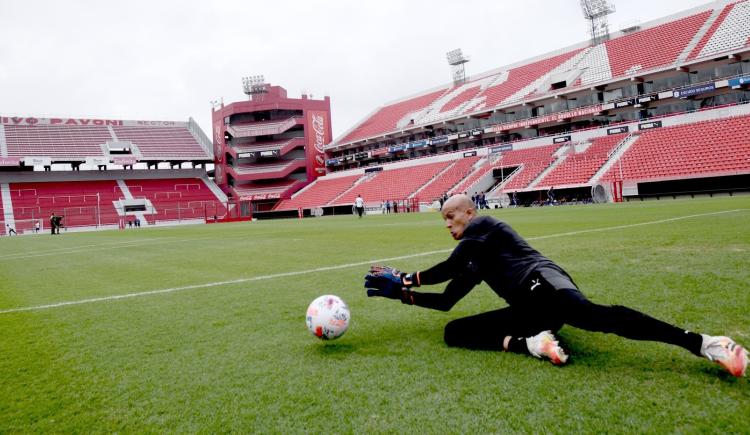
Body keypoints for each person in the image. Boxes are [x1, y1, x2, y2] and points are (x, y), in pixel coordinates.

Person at [364, 194, 748, 377]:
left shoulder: (483, 226)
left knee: (595, 317)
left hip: (545, 283)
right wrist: (403, 295)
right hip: (533, 314)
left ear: (469, 212)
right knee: (454, 331)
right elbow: (448, 299)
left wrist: (405, 277)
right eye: (443, 221)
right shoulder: (474, 257)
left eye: (452, 217)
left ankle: (704, 343)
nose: (449, 225)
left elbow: (446, 268)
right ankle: (532, 342)